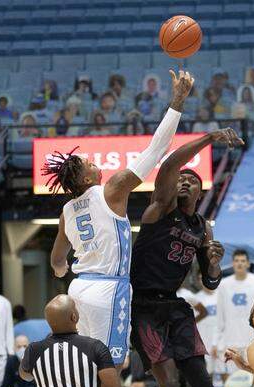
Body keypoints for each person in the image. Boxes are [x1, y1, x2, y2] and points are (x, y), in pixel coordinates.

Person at [128, 126, 252, 387]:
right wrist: (211, 137)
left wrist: (214, 263)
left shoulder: (202, 226)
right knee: (168, 386)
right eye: (179, 179)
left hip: (176, 307)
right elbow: (170, 162)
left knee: (201, 382)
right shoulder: (160, 209)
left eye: (190, 181)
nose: (183, 181)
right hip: (144, 308)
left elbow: (210, 283)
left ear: (199, 193)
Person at [46, 69, 195, 368]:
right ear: (85, 178)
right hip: (107, 289)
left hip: (78, 288)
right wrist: (177, 101)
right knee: (112, 367)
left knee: (85, 363)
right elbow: (156, 150)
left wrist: (67, 269)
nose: (95, 162)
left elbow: (57, 264)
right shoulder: (110, 190)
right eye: (90, 163)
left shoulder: (66, 212)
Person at [217, 249, 254, 376]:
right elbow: (220, 316)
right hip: (231, 340)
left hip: (253, 341)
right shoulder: (223, 285)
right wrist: (217, 341)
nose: (239, 263)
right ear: (232, 263)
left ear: (248, 264)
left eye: (242, 261)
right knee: (234, 386)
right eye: (236, 261)